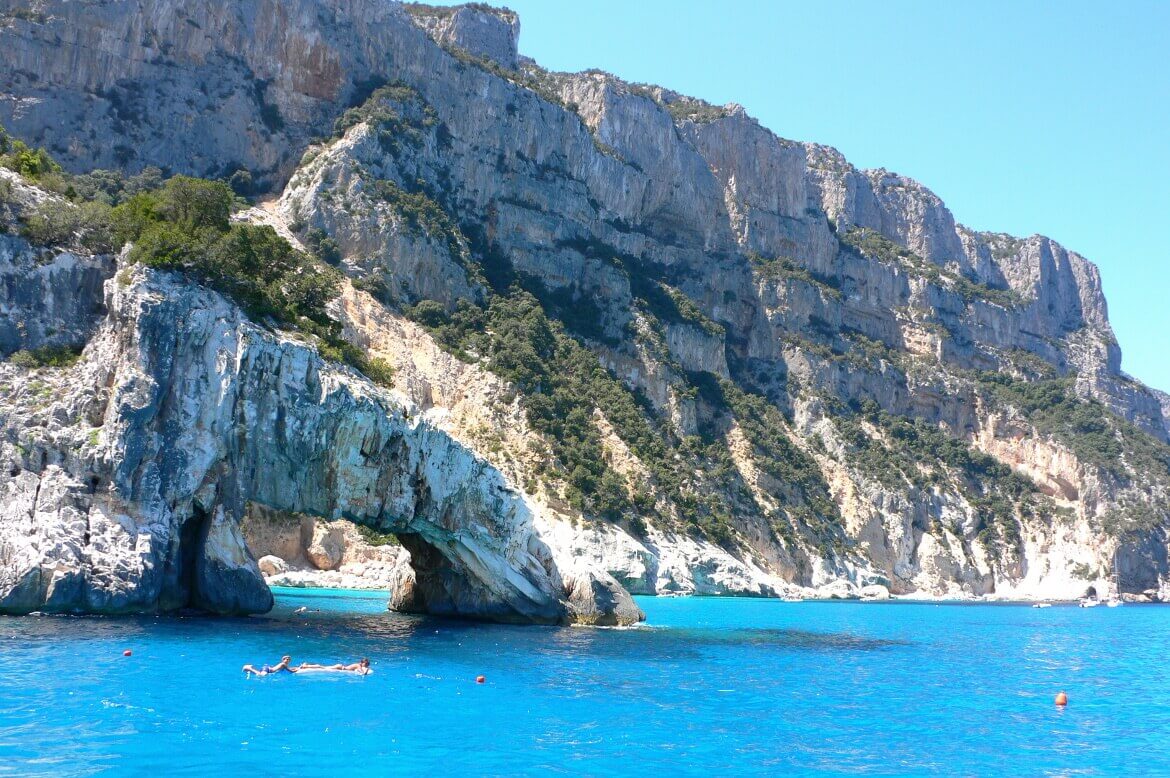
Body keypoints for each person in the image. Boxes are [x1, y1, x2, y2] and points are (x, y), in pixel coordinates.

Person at [295, 657, 372, 675]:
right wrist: (366, 671)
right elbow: (362, 672)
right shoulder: (358, 665)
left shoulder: (358, 665)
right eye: (365, 664)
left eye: (367, 664)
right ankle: (306, 666)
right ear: (362, 663)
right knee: (321, 667)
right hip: (340, 668)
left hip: (340, 667)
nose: (366, 665)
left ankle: (306, 665)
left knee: (322, 666)